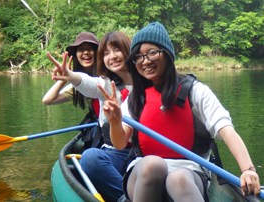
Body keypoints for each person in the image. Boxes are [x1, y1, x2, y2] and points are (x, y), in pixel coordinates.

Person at [97, 22, 261, 202]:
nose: (145, 61)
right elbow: (120, 143)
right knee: (153, 164)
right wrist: (114, 121)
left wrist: (247, 169)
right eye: (138, 56)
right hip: (142, 176)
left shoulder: (196, 91)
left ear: (167, 54)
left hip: (189, 174)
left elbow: (226, 129)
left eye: (152, 53)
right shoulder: (137, 97)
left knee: (178, 178)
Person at [47, 31, 133, 201]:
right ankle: (126, 198)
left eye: (117, 51)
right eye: (107, 53)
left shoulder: (146, 83)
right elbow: (87, 82)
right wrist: (69, 76)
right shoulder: (104, 84)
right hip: (116, 149)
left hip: (142, 152)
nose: (113, 57)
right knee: (90, 157)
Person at [42, 32, 100, 118]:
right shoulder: (78, 85)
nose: (86, 52)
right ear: (76, 55)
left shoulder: (108, 77)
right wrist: (65, 78)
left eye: (90, 49)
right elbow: (47, 100)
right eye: (81, 49)